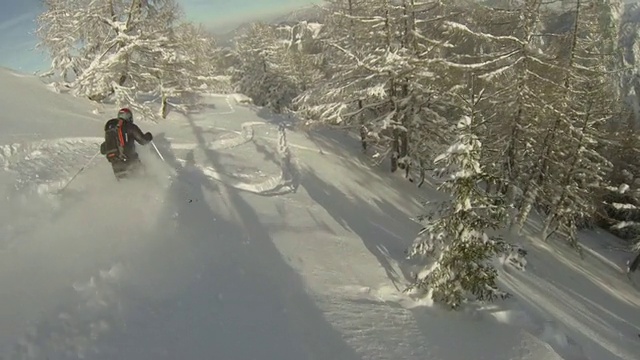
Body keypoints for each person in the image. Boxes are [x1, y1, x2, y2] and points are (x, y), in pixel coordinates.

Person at [99, 108, 153, 180]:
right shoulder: (130, 126)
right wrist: (149, 136)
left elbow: (103, 150)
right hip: (130, 160)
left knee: (124, 183)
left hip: (115, 163)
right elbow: (143, 141)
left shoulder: (112, 131)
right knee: (142, 177)